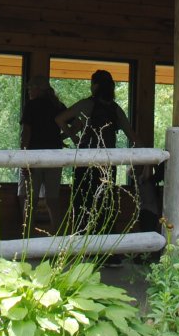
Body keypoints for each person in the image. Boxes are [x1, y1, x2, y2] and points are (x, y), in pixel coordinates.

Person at [57, 69, 132, 231]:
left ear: (95, 86)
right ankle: (104, 247)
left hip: (85, 162)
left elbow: (60, 119)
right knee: (105, 203)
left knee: (82, 203)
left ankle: (81, 246)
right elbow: (131, 134)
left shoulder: (86, 104)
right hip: (107, 163)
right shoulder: (115, 109)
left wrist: (72, 137)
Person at [19, 78, 66, 231]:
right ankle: (59, 239)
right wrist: (61, 137)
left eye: (30, 88)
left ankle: (27, 238)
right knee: (52, 200)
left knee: (29, 199)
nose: (29, 91)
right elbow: (77, 122)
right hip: (54, 157)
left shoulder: (31, 106)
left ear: (38, 89)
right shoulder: (57, 106)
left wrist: (24, 157)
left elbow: (26, 132)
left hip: (35, 156)